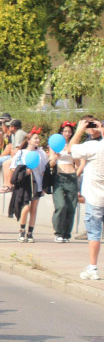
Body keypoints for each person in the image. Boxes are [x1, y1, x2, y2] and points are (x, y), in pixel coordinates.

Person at [69, 117, 103, 280]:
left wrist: (79, 130)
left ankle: (93, 267)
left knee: (94, 234)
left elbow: (71, 149)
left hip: (95, 197)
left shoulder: (91, 147)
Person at [9, 130, 47, 242]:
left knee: (34, 208)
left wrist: (44, 186)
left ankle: (30, 232)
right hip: (25, 184)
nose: (37, 140)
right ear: (29, 140)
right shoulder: (21, 153)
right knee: (26, 207)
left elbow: (44, 170)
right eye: (35, 138)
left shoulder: (41, 153)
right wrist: (24, 171)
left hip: (37, 183)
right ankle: (22, 230)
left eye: (38, 138)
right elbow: (12, 167)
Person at [49, 122, 78, 242]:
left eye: (69, 131)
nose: (67, 134)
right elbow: (51, 164)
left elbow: (80, 163)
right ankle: (58, 232)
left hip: (71, 177)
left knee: (71, 207)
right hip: (59, 177)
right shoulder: (55, 145)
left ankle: (66, 234)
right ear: (61, 132)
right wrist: (56, 157)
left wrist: (77, 173)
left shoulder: (74, 145)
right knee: (60, 205)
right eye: (65, 131)